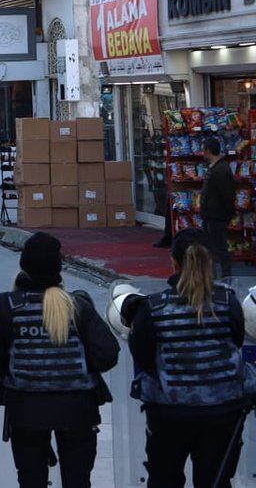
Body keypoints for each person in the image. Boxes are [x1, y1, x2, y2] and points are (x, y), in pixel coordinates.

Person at [0, 232, 119, 488]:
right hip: (78, 410)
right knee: (78, 481)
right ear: (58, 266)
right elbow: (107, 354)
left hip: (26, 410)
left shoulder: (6, 305)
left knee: (31, 480)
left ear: (24, 266)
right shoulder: (77, 305)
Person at [128, 228, 256, 488]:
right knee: (216, 481)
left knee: (165, 479)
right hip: (224, 409)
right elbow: (236, 341)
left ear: (172, 262)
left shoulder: (153, 307)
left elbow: (143, 355)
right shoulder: (227, 301)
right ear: (211, 261)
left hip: (170, 411)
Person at [200, 137, 236, 279]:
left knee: (219, 246)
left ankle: (226, 274)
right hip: (211, 214)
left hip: (216, 214)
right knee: (210, 245)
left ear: (208, 151)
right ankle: (211, 273)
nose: (203, 154)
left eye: (204, 151)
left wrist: (228, 214)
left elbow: (227, 194)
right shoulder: (216, 168)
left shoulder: (219, 170)